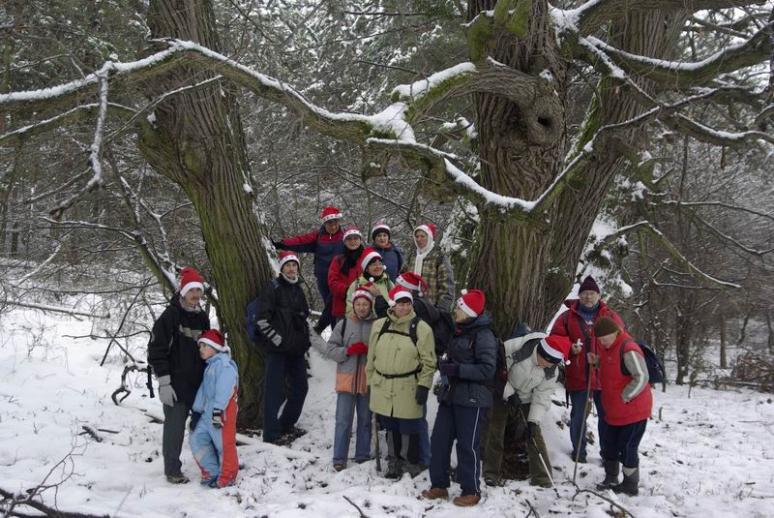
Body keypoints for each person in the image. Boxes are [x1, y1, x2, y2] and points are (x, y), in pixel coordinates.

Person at [422, 289, 496, 507]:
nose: (456, 310)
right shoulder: (458, 331)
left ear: (470, 312)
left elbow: (487, 369)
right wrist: (444, 365)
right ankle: (439, 485)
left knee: (467, 445)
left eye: (460, 307)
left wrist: (457, 370)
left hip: (473, 399)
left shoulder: (484, 335)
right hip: (451, 395)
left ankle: (471, 489)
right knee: (439, 440)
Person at [551, 274, 625, 463]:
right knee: (578, 417)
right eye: (584, 293)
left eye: (592, 293)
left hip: (606, 377)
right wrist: (569, 348)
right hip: (578, 376)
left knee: (607, 417)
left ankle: (608, 454)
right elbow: (556, 339)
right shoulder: (567, 317)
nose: (588, 297)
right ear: (579, 295)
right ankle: (579, 452)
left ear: (599, 296)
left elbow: (622, 340)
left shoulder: (610, 316)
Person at [148, 267, 210, 484]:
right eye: (192, 291)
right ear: (183, 292)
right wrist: (164, 382)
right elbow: (156, 350)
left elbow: (208, 349)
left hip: (198, 385)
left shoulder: (202, 318)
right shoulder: (170, 316)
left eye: (199, 291)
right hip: (175, 384)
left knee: (205, 426)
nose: (196, 295)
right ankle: (172, 470)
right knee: (174, 429)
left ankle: (210, 466)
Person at [367, 286, 436, 479]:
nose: (404, 308)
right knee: (391, 426)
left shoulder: (421, 328)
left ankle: (411, 462)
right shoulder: (380, 325)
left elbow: (429, 362)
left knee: (409, 426)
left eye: (407, 304)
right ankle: (394, 461)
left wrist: (424, 385)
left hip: (408, 386)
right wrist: (371, 380)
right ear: (393, 304)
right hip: (383, 385)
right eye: (400, 303)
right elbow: (371, 355)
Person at [252, 251, 312, 445]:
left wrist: (304, 342)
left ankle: (287, 424)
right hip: (277, 350)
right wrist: (277, 340)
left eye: (294, 265)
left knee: (301, 387)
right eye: (288, 265)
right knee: (274, 391)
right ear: (282, 268)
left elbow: (303, 318)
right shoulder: (273, 288)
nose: (292, 269)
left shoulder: (298, 289)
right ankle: (271, 434)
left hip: (295, 350)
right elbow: (261, 320)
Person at [591, 316, 653, 496]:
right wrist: (597, 362)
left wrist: (625, 396)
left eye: (605, 338)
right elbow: (614, 367)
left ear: (616, 332)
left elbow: (642, 377)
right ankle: (611, 478)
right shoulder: (606, 348)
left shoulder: (628, 348)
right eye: (600, 340)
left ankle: (630, 486)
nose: (603, 342)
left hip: (633, 410)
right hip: (613, 409)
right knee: (609, 446)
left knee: (627, 448)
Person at [500, 331, 571, 488]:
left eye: (551, 364)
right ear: (540, 351)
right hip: (501, 389)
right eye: (545, 361)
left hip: (525, 398)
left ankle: (543, 478)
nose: (546, 365)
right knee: (495, 428)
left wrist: (533, 421)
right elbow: (497, 369)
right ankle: (491, 471)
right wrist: (509, 394)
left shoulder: (551, 371)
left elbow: (542, 397)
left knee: (534, 433)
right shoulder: (519, 348)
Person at [316, 285, 375, 471]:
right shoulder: (344, 325)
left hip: (367, 380)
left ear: (370, 305)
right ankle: (339, 457)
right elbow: (331, 350)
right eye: (358, 304)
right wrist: (348, 351)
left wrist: (371, 352)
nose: (362, 307)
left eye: (365, 304)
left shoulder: (377, 325)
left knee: (365, 419)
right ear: (353, 305)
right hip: (346, 380)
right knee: (343, 420)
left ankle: (362, 455)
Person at [274, 206, 344, 333]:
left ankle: (322, 328)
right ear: (325, 223)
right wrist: (282, 243)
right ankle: (334, 336)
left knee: (335, 304)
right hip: (323, 279)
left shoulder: (345, 237)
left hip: (340, 279)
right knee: (332, 307)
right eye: (329, 224)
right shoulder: (318, 237)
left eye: (335, 223)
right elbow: (300, 241)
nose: (333, 227)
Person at [189, 329, 239, 488]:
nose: (200, 350)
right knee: (197, 438)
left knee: (224, 444)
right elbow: (203, 392)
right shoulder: (210, 366)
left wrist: (217, 412)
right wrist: (197, 411)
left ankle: (228, 476)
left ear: (215, 347)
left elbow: (225, 390)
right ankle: (211, 471)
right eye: (199, 347)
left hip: (222, 411)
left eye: (204, 346)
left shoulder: (225, 366)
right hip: (207, 413)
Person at [411, 223, 455, 312]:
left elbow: (447, 287)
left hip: (431, 309)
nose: (419, 239)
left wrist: (442, 309)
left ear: (429, 238)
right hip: (410, 307)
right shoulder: (412, 257)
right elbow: (403, 278)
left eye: (422, 236)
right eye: (417, 236)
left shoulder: (439, 257)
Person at [328, 226, 364, 325]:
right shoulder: (338, 260)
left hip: (364, 306)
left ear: (360, 240)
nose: (353, 241)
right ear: (344, 242)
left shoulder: (367, 258)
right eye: (349, 239)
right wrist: (348, 291)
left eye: (355, 238)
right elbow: (332, 282)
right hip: (342, 307)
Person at [345, 247, 393, 318]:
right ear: (367, 269)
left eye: (380, 264)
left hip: (382, 322)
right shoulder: (358, 283)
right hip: (362, 322)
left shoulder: (387, 282)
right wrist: (353, 314)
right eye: (374, 264)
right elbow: (349, 303)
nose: (378, 267)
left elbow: (395, 302)